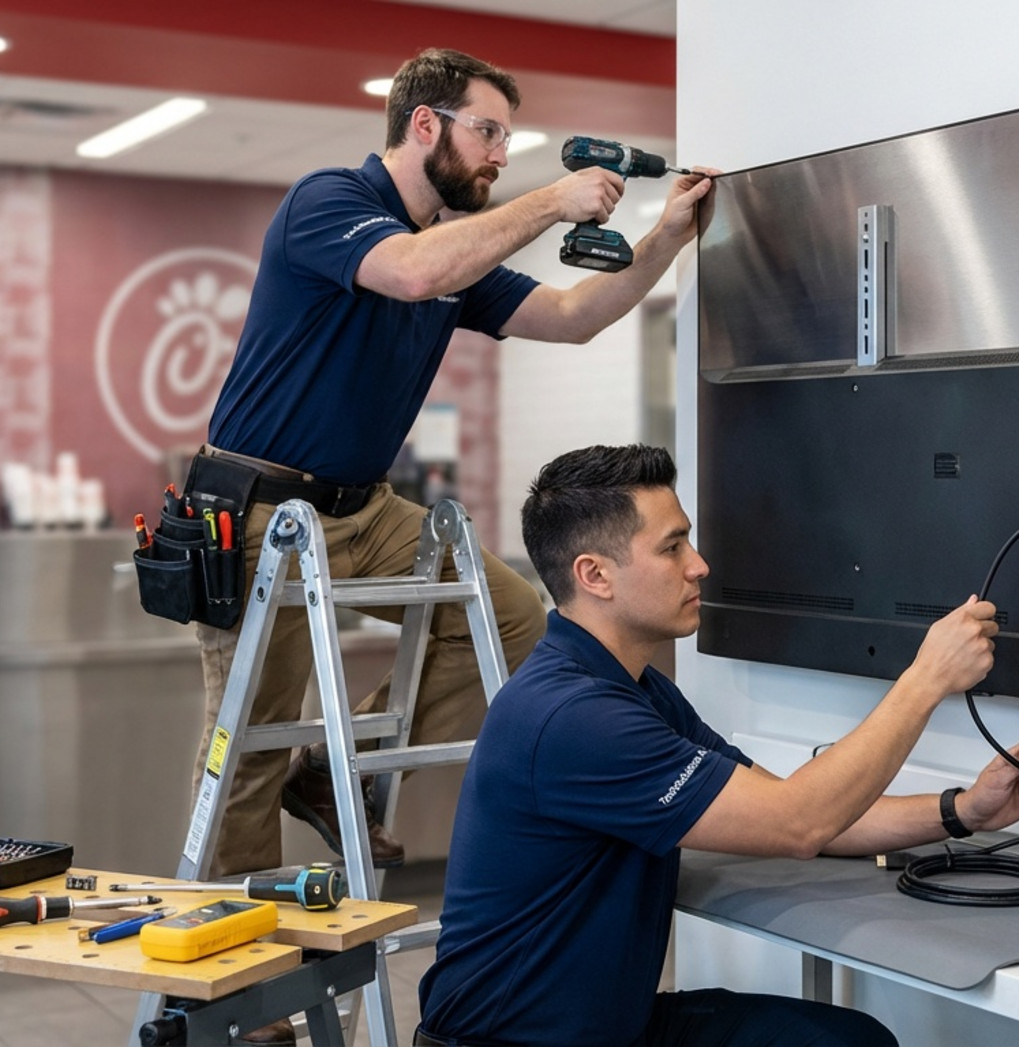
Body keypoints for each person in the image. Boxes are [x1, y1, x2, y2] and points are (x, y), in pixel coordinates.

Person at [183, 48, 713, 1044]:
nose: (499, 154)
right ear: (424, 125)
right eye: (488, 132)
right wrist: (552, 199)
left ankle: (323, 772)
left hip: (362, 507)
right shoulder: (329, 204)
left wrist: (663, 240)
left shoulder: (454, 250)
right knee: (247, 755)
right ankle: (248, 1009)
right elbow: (410, 269)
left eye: (507, 137)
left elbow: (570, 318)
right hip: (258, 512)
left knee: (519, 627)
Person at [417, 445, 1019, 1046]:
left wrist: (961, 812)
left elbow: (789, 805)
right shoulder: (574, 718)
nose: (699, 564)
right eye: (672, 548)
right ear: (595, 575)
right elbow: (799, 823)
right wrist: (926, 680)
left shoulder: (632, 690)